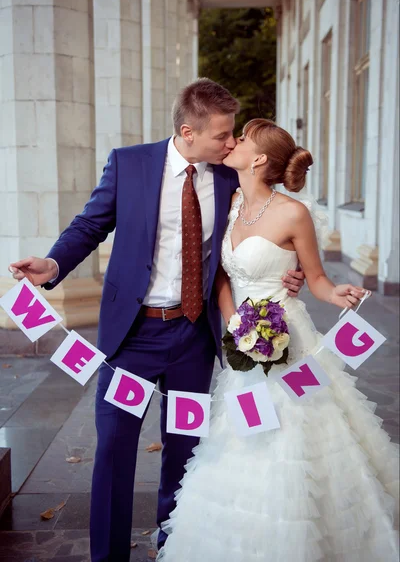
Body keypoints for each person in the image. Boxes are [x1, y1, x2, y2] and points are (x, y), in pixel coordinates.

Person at [8, 80, 305, 562]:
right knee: (113, 450)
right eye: (221, 135)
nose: (230, 144)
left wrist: (288, 274)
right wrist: (54, 264)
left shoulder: (230, 177)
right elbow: (90, 224)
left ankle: (174, 546)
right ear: (188, 132)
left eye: (233, 135)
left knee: (184, 449)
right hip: (132, 335)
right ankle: (108, 556)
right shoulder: (130, 164)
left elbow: (261, 228)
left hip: (195, 334)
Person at [158, 119, 400, 562]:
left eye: (242, 140)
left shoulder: (293, 213)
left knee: (296, 426)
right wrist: (236, 327)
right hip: (241, 342)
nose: (232, 144)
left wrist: (337, 293)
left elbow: (319, 279)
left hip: (289, 338)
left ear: (259, 158)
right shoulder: (228, 203)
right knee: (241, 427)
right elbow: (220, 279)